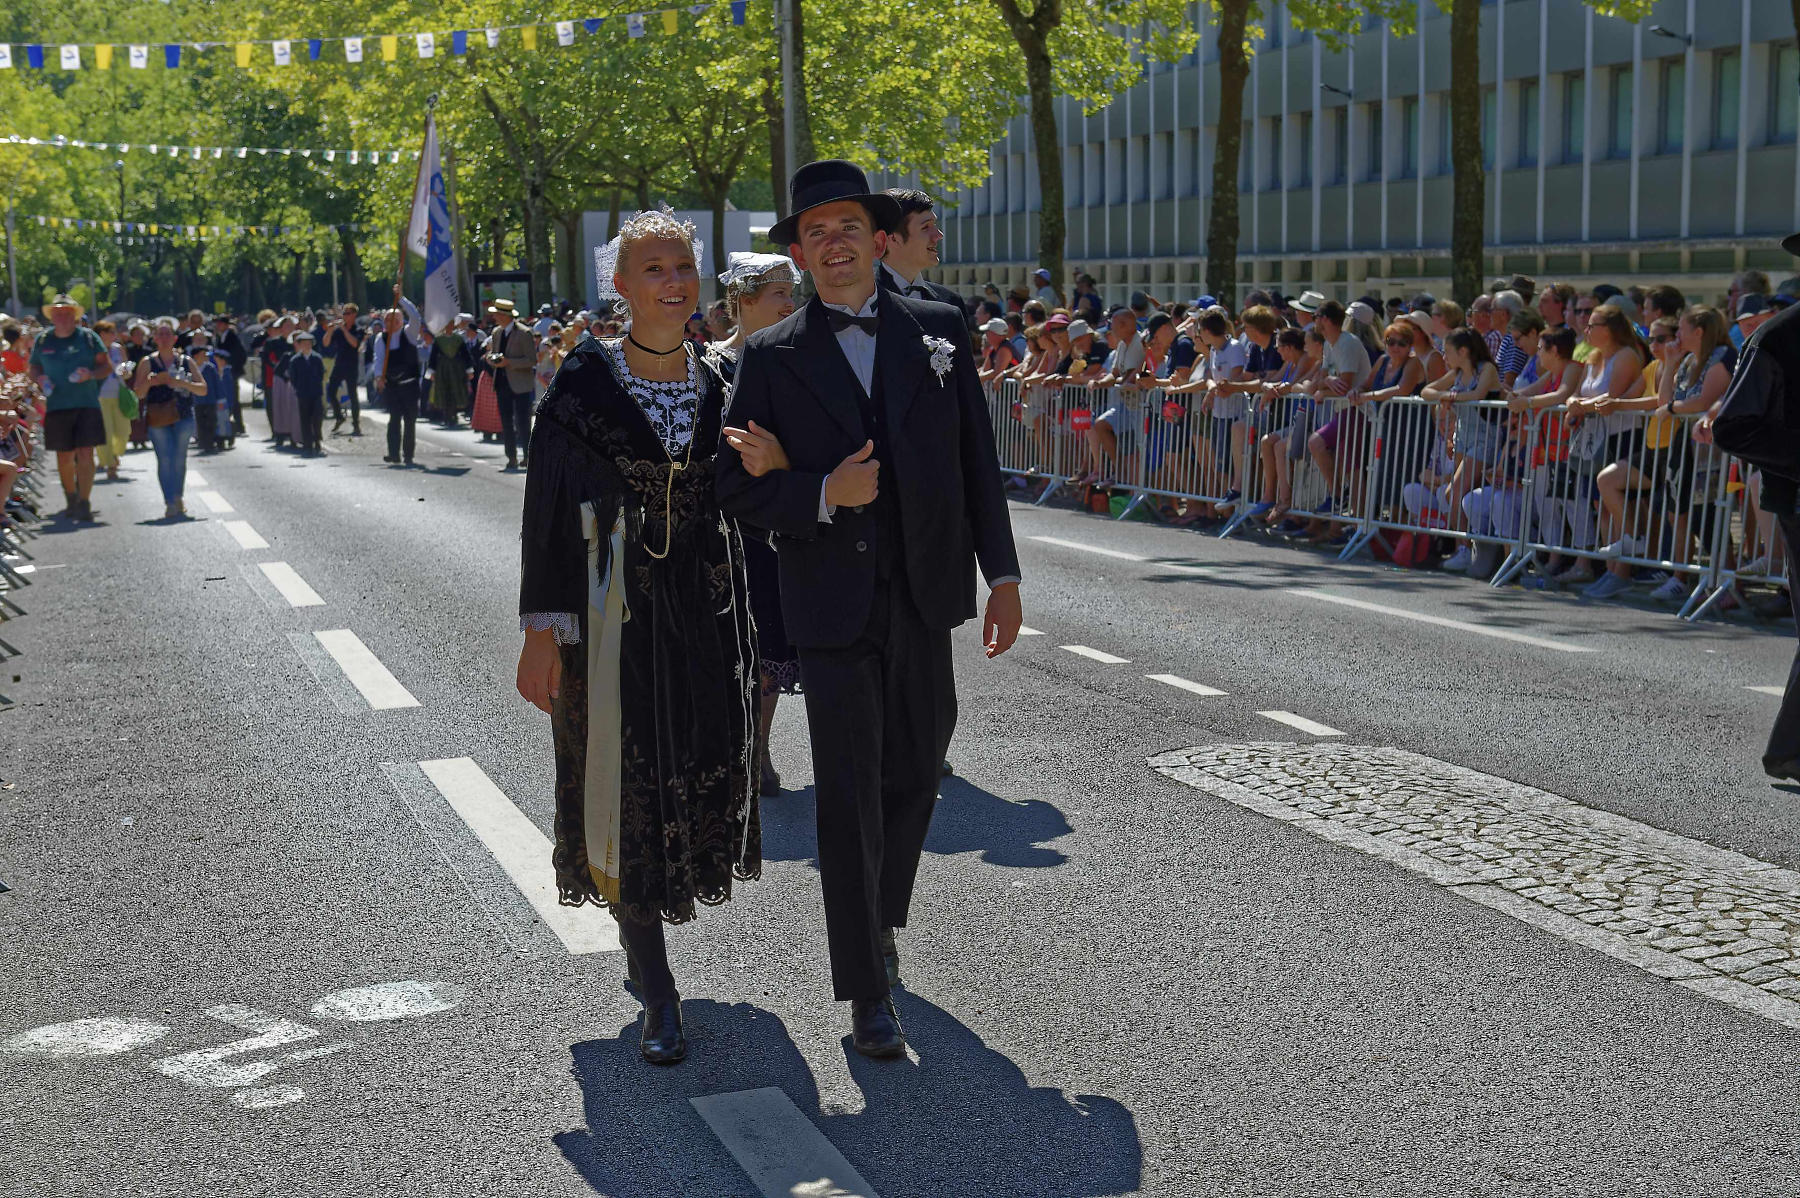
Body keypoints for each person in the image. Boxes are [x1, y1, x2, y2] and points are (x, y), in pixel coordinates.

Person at [716, 159, 1023, 1059]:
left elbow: (975, 458)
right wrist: (819, 491)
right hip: (830, 603)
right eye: (815, 232)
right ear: (802, 255)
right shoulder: (771, 357)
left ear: (879, 238)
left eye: (847, 224)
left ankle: (880, 919)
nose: (834, 241)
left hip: (926, 593)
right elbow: (734, 487)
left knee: (917, 769)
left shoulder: (938, 329)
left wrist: (1000, 576)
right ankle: (864, 992)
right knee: (845, 795)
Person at [515, 208, 759, 1065]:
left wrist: (787, 473)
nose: (672, 283)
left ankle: (649, 932)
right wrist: (543, 633)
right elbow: (546, 515)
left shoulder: (724, 380)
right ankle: (656, 983)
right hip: (607, 611)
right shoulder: (581, 384)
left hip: (700, 610)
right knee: (619, 779)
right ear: (620, 285)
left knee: (690, 770)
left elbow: (749, 496)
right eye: (653, 269)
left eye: (683, 268)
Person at [711, 252, 804, 797]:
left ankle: (757, 746)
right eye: (778, 293)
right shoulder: (711, 365)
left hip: (778, 524)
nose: (790, 304)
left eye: (792, 293)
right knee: (725, 646)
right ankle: (725, 747)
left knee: (769, 643)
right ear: (744, 300)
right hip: (723, 526)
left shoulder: (799, 361)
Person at [29, 295, 111, 521]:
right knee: (64, 457)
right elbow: (33, 367)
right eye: (58, 313)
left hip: (86, 403)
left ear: (75, 315)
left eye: (67, 313)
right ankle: (71, 498)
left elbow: (106, 366)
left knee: (85, 453)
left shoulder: (89, 338)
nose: (62, 317)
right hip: (57, 405)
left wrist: (92, 375)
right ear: (52, 317)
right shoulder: (43, 340)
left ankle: (84, 502)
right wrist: (40, 380)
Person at [131, 319, 206, 519]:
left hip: (183, 415)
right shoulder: (147, 362)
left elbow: (203, 389)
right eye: (160, 335)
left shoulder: (186, 361)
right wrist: (150, 382)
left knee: (179, 459)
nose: (164, 338)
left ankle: (178, 496)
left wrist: (180, 382)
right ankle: (170, 501)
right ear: (154, 339)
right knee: (164, 460)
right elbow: (138, 393)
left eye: (167, 335)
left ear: (174, 338)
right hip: (158, 416)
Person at [876, 188, 962, 311]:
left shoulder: (951, 302)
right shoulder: (862, 302)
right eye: (926, 227)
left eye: (935, 225)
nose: (939, 235)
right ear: (893, 239)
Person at [372, 287, 431, 466]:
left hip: (410, 384)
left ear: (400, 320)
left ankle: (408, 455)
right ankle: (393, 453)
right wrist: (378, 378)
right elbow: (378, 359)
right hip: (392, 385)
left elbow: (415, 317)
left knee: (410, 421)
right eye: (388, 319)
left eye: (395, 319)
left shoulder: (409, 333)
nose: (391, 322)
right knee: (394, 419)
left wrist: (401, 299)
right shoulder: (381, 339)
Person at [487, 299, 536, 469]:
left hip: (520, 384)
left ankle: (528, 457)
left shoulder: (524, 333)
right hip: (502, 383)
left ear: (504, 315)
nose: (494, 317)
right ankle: (511, 457)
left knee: (523, 422)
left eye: (497, 314)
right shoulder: (496, 332)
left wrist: (509, 362)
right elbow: (494, 353)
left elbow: (531, 360)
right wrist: (492, 359)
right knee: (506, 422)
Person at [92, 320, 132, 481]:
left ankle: (115, 454)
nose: (113, 335)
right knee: (105, 433)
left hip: (119, 394)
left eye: (113, 332)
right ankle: (110, 465)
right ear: (100, 334)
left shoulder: (118, 349)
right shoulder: (93, 351)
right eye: (109, 332)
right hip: (99, 396)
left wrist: (126, 372)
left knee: (123, 432)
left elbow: (127, 371)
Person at [280, 328, 328, 455]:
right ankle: (307, 443)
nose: (306, 345)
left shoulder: (317, 358)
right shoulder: (295, 360)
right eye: (304, 343)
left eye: (309, 342)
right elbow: (293, 377)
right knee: (305, 419)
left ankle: (317, 439)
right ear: (299, 344)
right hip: (303, 393)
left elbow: (321, 373)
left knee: (317, 417)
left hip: (316, 392)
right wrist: (299, 388)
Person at [321, 304, 363, 435]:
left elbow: (355, 343)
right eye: (344, 313)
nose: (345, 316)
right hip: (339, 364)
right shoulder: (338, 331)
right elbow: (326, 343)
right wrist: (329, 330)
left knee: (353, 395)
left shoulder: (358, 329)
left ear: (354, 315)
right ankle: (339, 416)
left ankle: (356, 423)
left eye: (348, 313)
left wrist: (344, 329)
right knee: (331, 392)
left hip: (351, 366)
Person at [431, 314, 474, 427]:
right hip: (442, 369)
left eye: (451, 325)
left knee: (455, 391)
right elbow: (433, 356)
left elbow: (466, 355)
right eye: (447, 325)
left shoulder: (458, 339)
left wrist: (469, 370)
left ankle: (453, 414)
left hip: (456, 369)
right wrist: (431, 372)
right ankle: (446, 415)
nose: (449, 327)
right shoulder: (438, 339)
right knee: (444, 391)